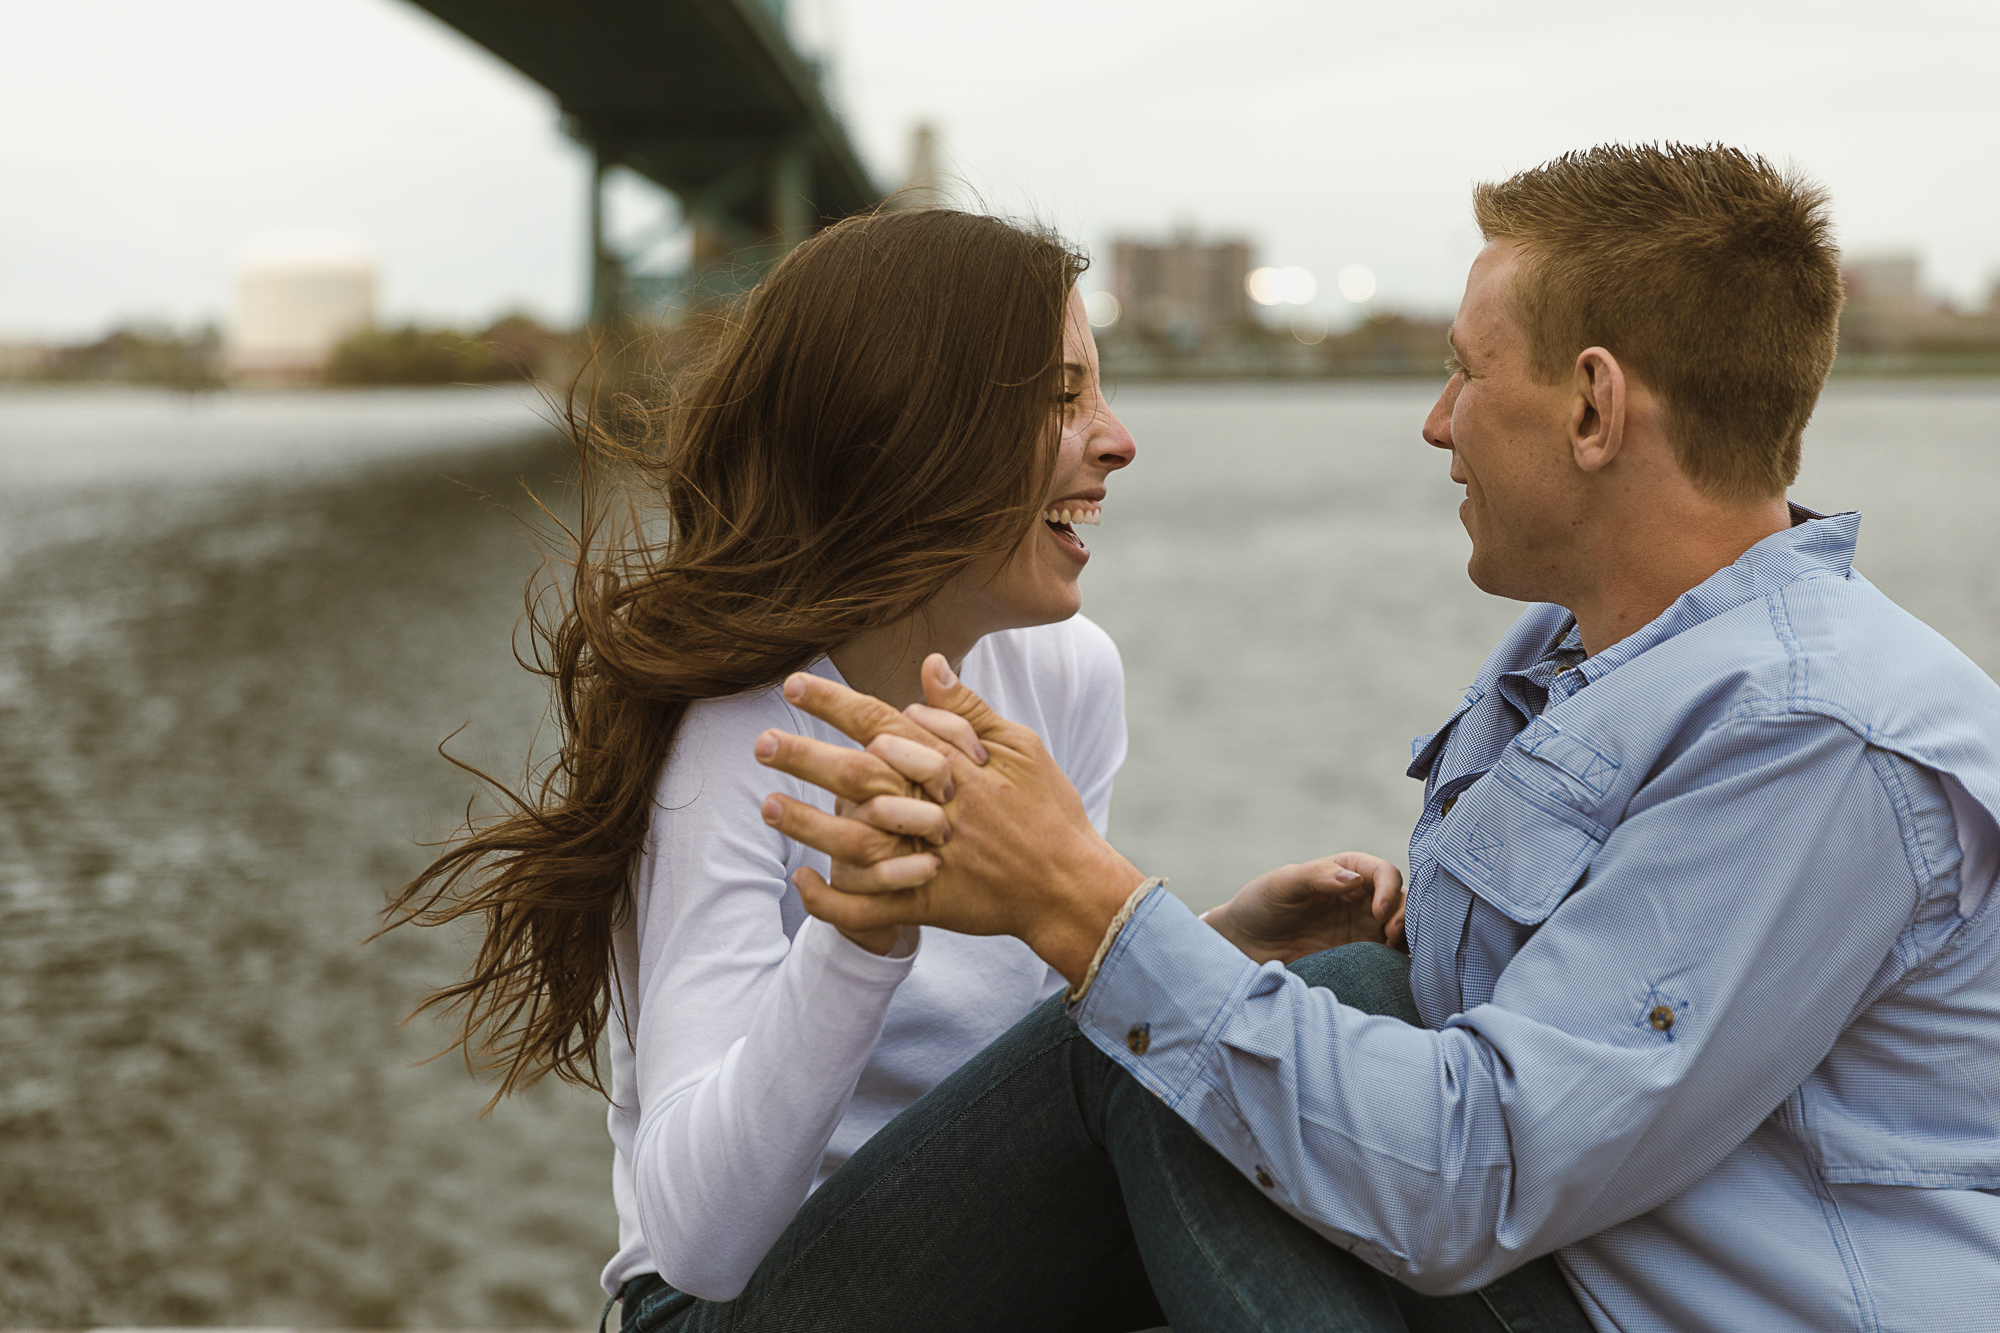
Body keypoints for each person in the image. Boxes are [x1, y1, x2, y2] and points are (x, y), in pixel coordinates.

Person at [746, 144, 2000, 1333]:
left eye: (1467, 370)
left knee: (1204, 1039)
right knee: (1293, 1012)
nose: (1436, 420)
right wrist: (1252, 948)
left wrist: (1081, 902)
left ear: (1591, 407)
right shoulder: (1567, 664)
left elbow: (1477, 1170)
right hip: (1560, 1265)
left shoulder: (1819, 737)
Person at [382, 207, 1226, 1310]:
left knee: (1330, 990)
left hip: (969, 1259)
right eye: (1062, 399)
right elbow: (699, 1243)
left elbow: (1041, 1032)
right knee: (1131, 1085)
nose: (1114, 438)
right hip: (729, 1306)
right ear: (918, 432)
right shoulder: (734, 730)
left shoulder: (1065, 674)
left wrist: (1227, 944)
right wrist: (860, 932)